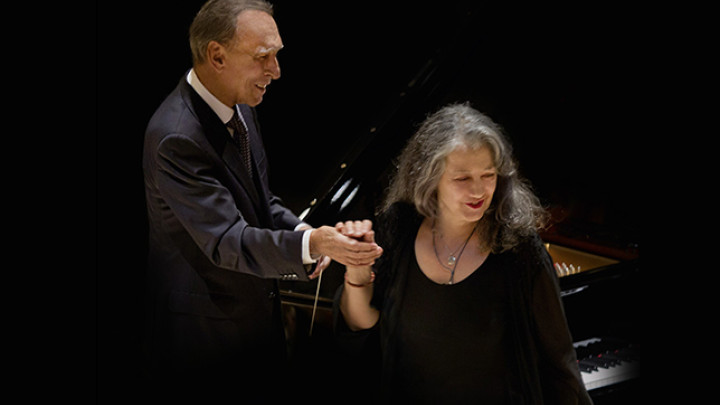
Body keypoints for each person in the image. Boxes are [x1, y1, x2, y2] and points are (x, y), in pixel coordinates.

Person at [141, 0, 382, 398]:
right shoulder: (175, 137)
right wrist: (312, 245)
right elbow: (228, 241)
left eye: (276, 55)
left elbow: (260, 202)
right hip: (204, 339)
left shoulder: (238, 104)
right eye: (262, 57)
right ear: (216, 55)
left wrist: (305, 230)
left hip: (251, 322)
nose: (276, 71)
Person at [333, 103, 593, 404]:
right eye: (462, 179)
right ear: (430, 179)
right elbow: (360, 328)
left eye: (488, 175)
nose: (479, 191)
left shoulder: (520, 251)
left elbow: (559, 365)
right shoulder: (399, 229)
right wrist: (357, 270)